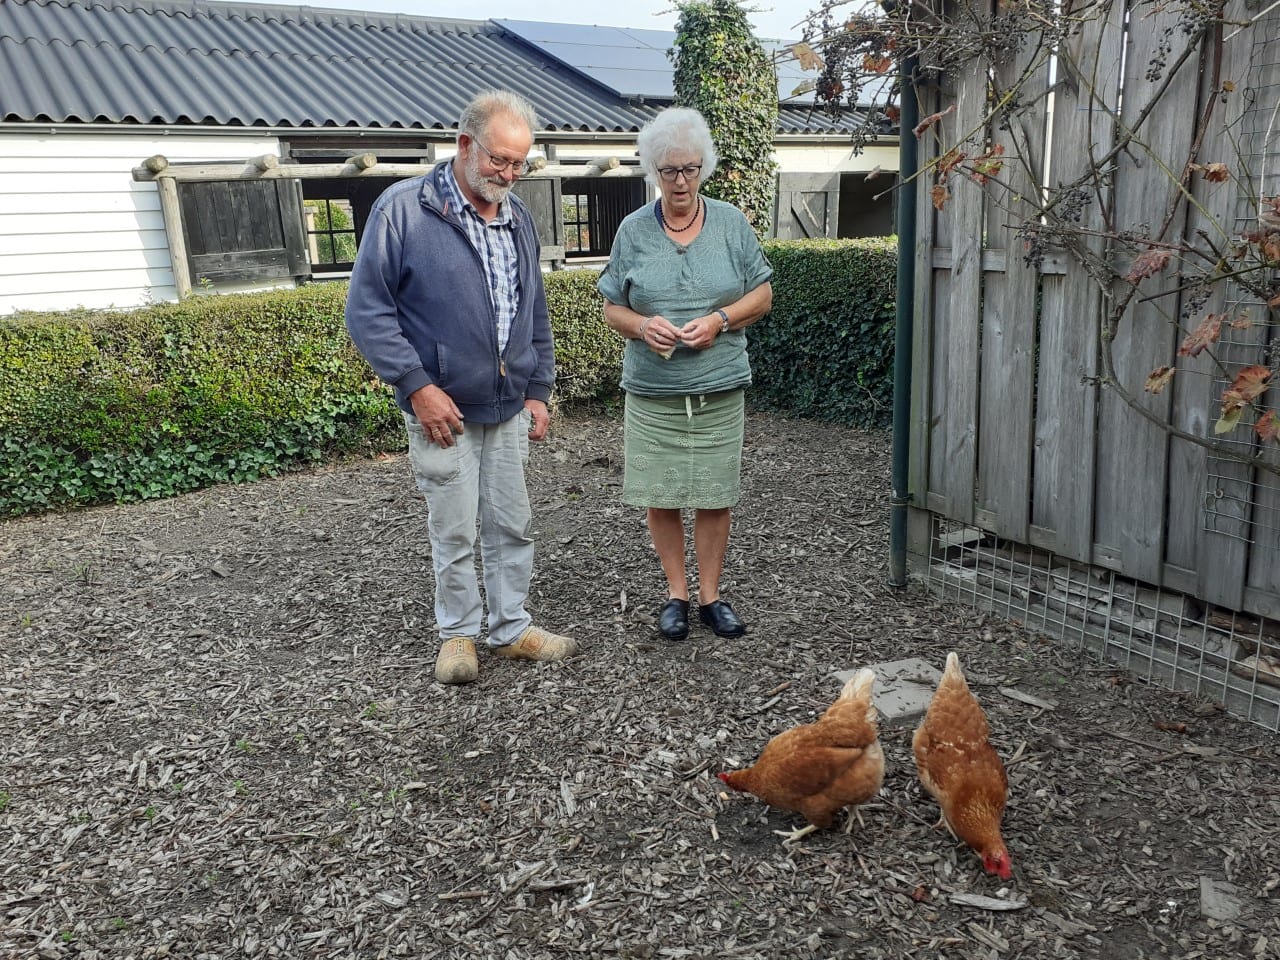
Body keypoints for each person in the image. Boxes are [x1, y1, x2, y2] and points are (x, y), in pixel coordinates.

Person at [345, 89, 577, 685]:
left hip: (506, 405)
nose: (508, 174)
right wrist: (416, 385)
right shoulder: (403, 210)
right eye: (499, 159)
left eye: (519, 163)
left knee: (512, 521)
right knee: (453, 525)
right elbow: (368, 310)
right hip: (440, 409)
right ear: (465, 144)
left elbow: (534, 310)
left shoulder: (519, 218)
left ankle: (510, 627)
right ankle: (458, 635)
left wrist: (539, 388)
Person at [597, 107, 773, 642]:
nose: (680, 181)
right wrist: (641, 325)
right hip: (654, 391)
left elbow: (763, 293)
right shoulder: (632, 230)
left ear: (704, 168)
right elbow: (610, 306)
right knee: (663, 493)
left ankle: (711, 597)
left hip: (718, 386)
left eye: (690, 169)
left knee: (716, 493)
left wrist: (721, 320)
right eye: (669, 170)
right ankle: (676, 593)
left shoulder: (730, 223)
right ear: (653, 170)